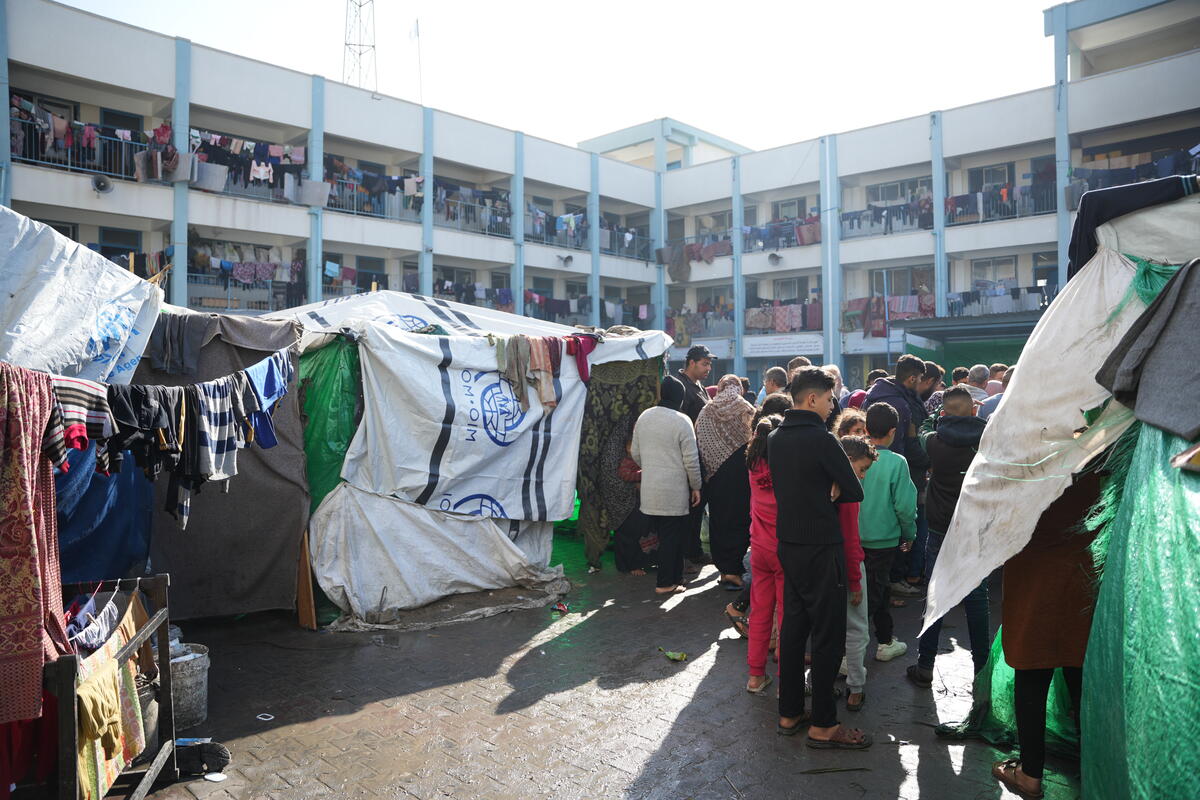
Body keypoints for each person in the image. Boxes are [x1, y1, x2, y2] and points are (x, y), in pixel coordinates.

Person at [768, 367, 869, 749]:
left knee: (793, 631)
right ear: (812, 399)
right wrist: (833, 487)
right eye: (829, 399)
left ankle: (790, 710)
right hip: (822, 548)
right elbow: (854, 490)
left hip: (788, 544)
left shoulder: (776, 437)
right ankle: (824, 723)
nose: (831, 406)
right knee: (828, 638)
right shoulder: (824, 440)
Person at [992, 472, 1102, 799]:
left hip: (1033, 574)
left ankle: (1030, 774)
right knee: (1078, 671)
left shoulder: (1027, 449)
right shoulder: (1101, 442)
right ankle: (1093, 768)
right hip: (1079, 573)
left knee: (1032, 673)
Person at [906, 386, 990, 687]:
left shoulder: (936, 442)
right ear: (973, 410)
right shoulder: (987, 441)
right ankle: (982, 669)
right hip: (974, 526)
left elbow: (925, 427)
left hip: (940, 526)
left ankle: (926, 665)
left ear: (944, 413)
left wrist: (938, 415)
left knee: (935, 596)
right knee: (977, 599)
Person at [725, 392, 793, 636]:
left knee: (764, 607)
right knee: (779, 604)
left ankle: (757, 669)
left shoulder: (754, 462)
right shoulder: (780, 470)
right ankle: (780, 651)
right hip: (778, 544)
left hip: (759, 541)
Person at [864, 354, 930, 596]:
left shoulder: (875, 395)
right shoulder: (901, 404)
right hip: (899, 472)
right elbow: (904, 508)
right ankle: (894, 581)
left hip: (869, 465)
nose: (921, 384)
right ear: (912, 378)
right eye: (921, 379)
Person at [630, 376, 702, 595]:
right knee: (672, 537)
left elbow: (635, 452)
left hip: (651, 489)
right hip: (674, 491)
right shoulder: (682, 420)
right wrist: (696, 485)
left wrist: (651, 467)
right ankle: (665, 583)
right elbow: (691, 459)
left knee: (662, 535)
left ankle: (672, 579)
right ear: (680, 397)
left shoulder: (645, 417)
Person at [857, 402, 917, 664]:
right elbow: (905, 506)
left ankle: (884, 640)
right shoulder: (896, 462)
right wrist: (909, 534)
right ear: (893, 431)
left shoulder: (853, 455)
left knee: (869, 591)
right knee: (875, 593)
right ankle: (860, 647)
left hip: (853, 537)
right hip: (884, 540)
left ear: (866, 428)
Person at [696, 375, 755, 590]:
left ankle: (724, 571)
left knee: (719, 521)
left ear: (720, 388)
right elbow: (754, 440)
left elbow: (700, 443)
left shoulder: (706, 411)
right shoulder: (745, 408)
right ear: (738, 388)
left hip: (715, 476)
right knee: (739, 521)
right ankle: (734, 569)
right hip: (741, 476)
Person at [744, 412, 785, 695]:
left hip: (758, 548)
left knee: (759, 613)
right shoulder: (786, 469)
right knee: (786, 613)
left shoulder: (752, 467)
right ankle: (785, 673)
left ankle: (755, 676)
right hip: (784, 550)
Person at [838, 435, 877, 712]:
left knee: (827, 629)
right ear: (848, 461)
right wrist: (855, 581)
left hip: (823, 566)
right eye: (862, 469)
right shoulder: (849, 494)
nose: (862, 476)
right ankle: (856, 687)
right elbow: (852, 541)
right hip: (846, 568)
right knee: (856, 629)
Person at [677, 345, 714, 567]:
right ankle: (688, 553)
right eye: (704, 363)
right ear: (691, 363)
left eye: (709, 364)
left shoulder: (699, 386)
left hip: (701, 455)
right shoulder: (680, 386)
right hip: (687, 456)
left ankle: (694, 549)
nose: (708, 368)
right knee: (690, 507)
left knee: (698, 507)